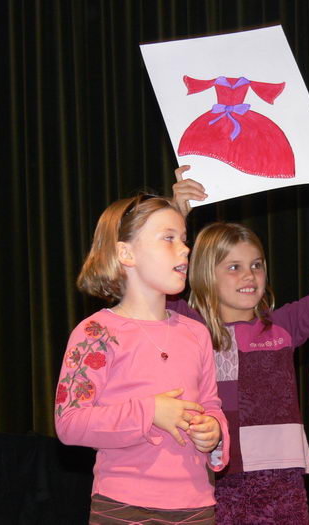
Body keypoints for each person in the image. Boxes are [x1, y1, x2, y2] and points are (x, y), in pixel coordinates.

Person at [168, 165, 309, 524]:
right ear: (205, 273)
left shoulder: (281, 327)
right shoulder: (188, 327)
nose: (249, 275)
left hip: (284, 482)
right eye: (233, 267)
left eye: (256, 264)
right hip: (216, 480)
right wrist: (177, 217)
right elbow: (150, 279)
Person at [54, 194, 229, 525]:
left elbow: (211, 404)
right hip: (124, 506)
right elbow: (70, 422)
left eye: (184, 239)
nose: (185, 249)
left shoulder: (196, 334)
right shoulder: (95, 332)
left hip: (197, 506)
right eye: (168, 238)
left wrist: (214, 431)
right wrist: (151, 412)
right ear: (126, 253)